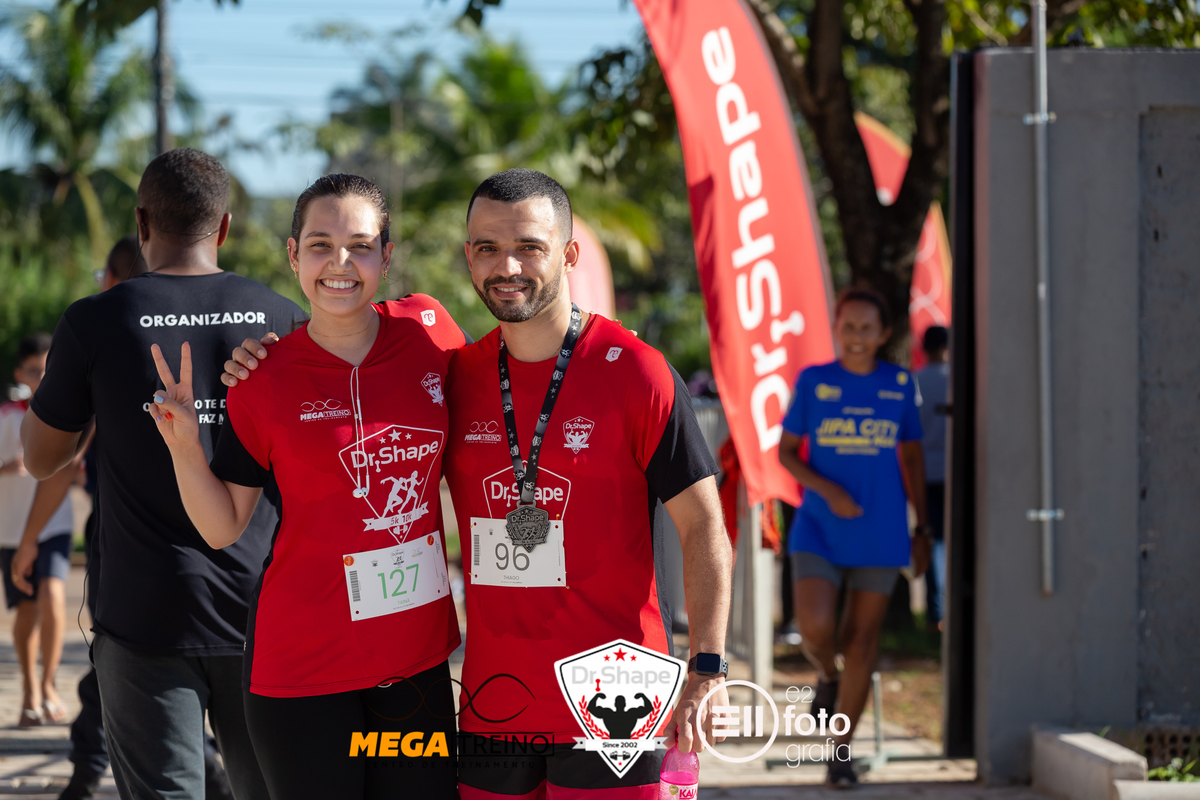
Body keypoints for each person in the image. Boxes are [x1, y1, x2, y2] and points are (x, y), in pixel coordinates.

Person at [223, 169, 734, 799]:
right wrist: (264, 357)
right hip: (496, 703)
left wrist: (707, 666)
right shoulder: (456, 372)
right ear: (468, 257)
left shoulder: (637, 373)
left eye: (530, 247)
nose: (507, 266)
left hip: (616, 694)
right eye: (487, 248)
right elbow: (353, 363)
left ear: (569, 253)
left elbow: (705, 524)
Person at [153, 174, 463, 800]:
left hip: (413, 666)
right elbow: (222, 526)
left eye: (360, 245)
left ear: (386, 256)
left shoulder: (431, 332)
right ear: (293, 255)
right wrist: (185, 448)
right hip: (302, 671)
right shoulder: (263, 378)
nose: (339, 263)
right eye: (319, 244)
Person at [20, 148, 307, 800]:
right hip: (262, 611)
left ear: (141, 222)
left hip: (142, 615)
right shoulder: (282, 318)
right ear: (226, 226)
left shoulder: (97, 319)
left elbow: (42, 458)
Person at [777, 288, 932, 789]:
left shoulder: (899, 385)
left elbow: (912, 459)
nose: (857, 337)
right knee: (816, 628)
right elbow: (787, 454)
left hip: (882, 531)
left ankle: (840, 754)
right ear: (836, 328)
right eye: (849, 327)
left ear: (884, 334)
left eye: (868, 328)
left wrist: (923, 528)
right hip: (819, 526)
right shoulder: (815, 381)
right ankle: (826, 674)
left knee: (863, 641)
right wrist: (828, 491)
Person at [1, 333, 76, 728]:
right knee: (26, 610)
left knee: (53, 594)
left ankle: (48, 684)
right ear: (20, 373)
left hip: (56, 525)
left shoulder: (69, 413)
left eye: (49, 369)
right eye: (34, 370)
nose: (42, 377)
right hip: (12, 532)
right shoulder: (7, 417)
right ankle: (30, 689)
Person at [914, 325, 950, 630]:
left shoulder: (916, 382)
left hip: (924, 473)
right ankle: (950, 611)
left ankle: (935, 612)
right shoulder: (955, 379)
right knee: (951, 544)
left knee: (931, 540)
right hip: (954, 473)